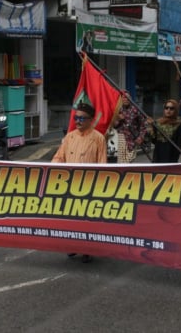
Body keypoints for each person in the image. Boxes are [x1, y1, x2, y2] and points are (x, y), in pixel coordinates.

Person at [52, 103, 107, 263]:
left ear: (91, 120)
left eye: (82, 118)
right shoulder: (70, 137)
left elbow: (102, 164)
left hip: (89, 187)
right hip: (69, 186)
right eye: (76, 117)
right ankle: (73, 246)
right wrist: (51, 167)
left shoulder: (98, 138)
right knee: (71, 219)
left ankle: (87, 250)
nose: (78, 121)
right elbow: (59, 157)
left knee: (87, 220)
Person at [112, 91, 147, 163]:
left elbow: (143, 125)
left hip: (132, 138)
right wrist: (118, 120)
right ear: (121, 99)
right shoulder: (118, 110)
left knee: (130, 161)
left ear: (130, 99)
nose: (126, 99)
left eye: (128, 98)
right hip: (121, 138)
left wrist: (141, 137)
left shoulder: (136, 110)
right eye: (124, 97)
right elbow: (114, 125)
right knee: (122, 163)